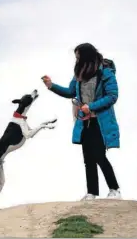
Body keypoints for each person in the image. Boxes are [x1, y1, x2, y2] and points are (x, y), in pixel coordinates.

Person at [42, 43, 122, 201]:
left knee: (99, 155)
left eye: (79, 56)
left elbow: (112, 96)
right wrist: (51, 86)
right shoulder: (79, 74)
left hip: (100, 122)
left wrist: (91, 106)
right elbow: (70, 92)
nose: (77, 60)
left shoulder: (105, 72)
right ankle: (91, 192)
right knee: (88, 158)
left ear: (87, 56)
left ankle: (115, 189)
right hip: (84, 122)